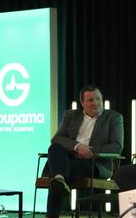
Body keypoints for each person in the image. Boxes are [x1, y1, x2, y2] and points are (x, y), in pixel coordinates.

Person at [46, 85, 124, 218]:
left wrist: (89, 151)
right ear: (82, 103)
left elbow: (116, 146)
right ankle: (60, 179)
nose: (95, 103)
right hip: (70, 158)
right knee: (55, 148)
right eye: (90, 100)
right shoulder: (71, 115)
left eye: (98, 99)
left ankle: (58, 184)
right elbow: (57, 138)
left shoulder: (113, 117)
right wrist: (77, 146)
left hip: (96, 163)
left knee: (57, 173)